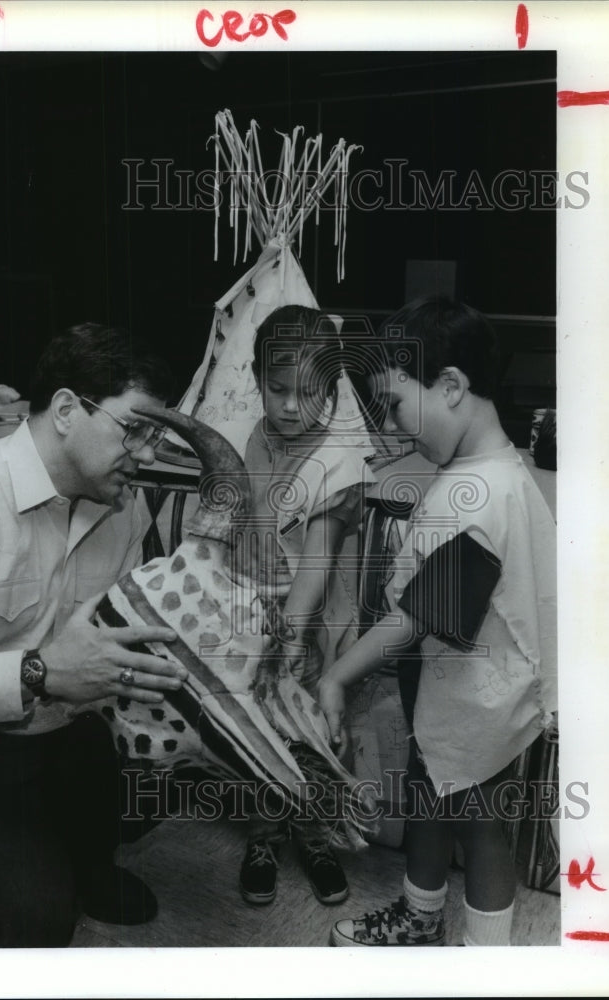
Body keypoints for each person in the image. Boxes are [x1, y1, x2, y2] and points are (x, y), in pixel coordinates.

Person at [319, 297, 557, 947]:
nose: (393, 429)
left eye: (395, 404)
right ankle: (422, 919)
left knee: (480, 822)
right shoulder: (492, 472)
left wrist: (339, 675)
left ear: (450, 386)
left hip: (482, 701)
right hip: (463, 690)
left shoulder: (477, 499)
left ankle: (486, 958)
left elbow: (417, 614)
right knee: (429, 790)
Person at [0, 323, 188, 948]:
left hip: (68, 726)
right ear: (66, 410)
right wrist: (36, 672)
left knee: (165, 781)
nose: (146, 454)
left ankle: (78, 858)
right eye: (134, 429)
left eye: (155, 435)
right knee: (28, 925)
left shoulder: (123, 506)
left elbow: (126, 634)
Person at [237, 304, 375, 907]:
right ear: (256, 380)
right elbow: (249, 523)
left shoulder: (340, 458)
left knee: (311, 731)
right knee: (261, 726)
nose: (291, 406)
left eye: (309, 394)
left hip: (313, 621)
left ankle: (314, 835)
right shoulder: (256, 438)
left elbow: (318, 559)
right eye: (277, 390)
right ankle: (264, 835)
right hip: (256, 606)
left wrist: (291, 636)